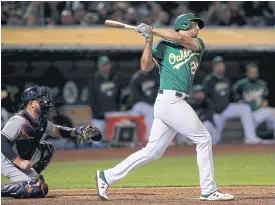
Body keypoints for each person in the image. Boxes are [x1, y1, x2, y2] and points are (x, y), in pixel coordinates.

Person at [96, 13, 234, 201]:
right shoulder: (162, 46)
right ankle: (208, 190)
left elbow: (179, 38)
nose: (198, 29)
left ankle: (107, 175)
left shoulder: (198, 44)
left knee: (152, 152)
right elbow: (145, 66)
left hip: (174, 103)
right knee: (204, 139)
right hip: (169, 101)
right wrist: (148, 40)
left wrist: (152, 29)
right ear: (185, 24)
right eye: (195, 25)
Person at [1, 85, 102, 199]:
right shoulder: (18, 120)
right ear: (31, 104)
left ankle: (29, 179)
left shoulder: (40, 121)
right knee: (33, 188)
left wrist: (77, 131)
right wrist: (19, 162)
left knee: (47, 150)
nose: (45, 102)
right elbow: (2, 141)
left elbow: (57, 131)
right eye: (40, 100)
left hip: (19, 158)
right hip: (5, 160)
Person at [202, 56, 261, 144]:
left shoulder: (226, 80)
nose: (221, 67)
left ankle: (250, 137)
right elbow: (205, 98)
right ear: (214, 67)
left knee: (244, 108)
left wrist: (238, 100)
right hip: (216, 113)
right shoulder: (209, 80)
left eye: (222, 65)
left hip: (227, 108)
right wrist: (210, 113)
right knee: (215, 140)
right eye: (219, 65)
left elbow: (232, 95)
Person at [233, 63, 275, 138]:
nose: (254, 74)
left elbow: (265, 97)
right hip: (248, 114)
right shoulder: (241, 83)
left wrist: (265, 106)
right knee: (249, 136)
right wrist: (239, 101)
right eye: (251, 72)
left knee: (273, 112)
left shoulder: (262, 83)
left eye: (255, 72)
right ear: (247, 73)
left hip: (259, 110)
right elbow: (233, 94)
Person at [89, 56, 122, 138]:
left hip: (113, 116)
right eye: (104, 65)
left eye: (108, 65)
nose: (107, 67)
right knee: (97, 143)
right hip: (98, 118)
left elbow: (119, 97)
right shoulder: (94, 79)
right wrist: (98, 113)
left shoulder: (116, 77)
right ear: (99, 66)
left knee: (114, 142)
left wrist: (117, 111)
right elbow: (91, 100)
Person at [128, 69, 159, 140]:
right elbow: (136, 96)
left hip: (150, 103)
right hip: (138, 104)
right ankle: (150, 138)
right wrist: (150, 102)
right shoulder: (136, 77)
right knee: (151, 112)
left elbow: (158, 90)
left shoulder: (154, 75)